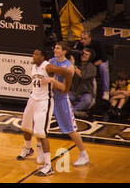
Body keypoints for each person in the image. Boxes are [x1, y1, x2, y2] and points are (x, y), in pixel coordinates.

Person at [17, 48, 72, 177]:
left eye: (36, 54)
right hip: (33, 99)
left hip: (44, 101)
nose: (33, 55)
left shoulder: (48, 67)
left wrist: (66, 89)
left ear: (42, 57)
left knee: (41, 133)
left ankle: (48, 166)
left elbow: (67, 73)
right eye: (34, 53)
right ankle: (28, 149)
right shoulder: (33, 67)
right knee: (25, 126)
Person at [48, 41, 90, 167]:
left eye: (58, 48)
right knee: (39, 125)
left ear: (64, 51)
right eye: (55, 47)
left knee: (71, 130)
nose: (55, 49)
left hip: (61, 100)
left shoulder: (69, 67)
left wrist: (53, 82)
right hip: (49, 98)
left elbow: (65, 87)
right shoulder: (51, 61)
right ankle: (39, 150)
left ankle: (83, 154)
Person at [75, 30, 110, 100]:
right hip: (86, 63)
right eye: (81, 38)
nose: (82, 41)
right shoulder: (79, 45)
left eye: (85, 39)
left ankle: (106, 90)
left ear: (90, 38)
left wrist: (93, 65)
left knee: (103, 68)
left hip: (98, 61)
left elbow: (104, 57)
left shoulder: (97, 44)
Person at [68, 47, 97, 118]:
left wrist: (73, 66)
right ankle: (76, 113)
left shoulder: (92, 68)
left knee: (87, 101)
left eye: (86, 54)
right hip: (74, 92)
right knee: (63, 97)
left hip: (86, 93)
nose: (83, 55)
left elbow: (82, 75)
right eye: (82, 53)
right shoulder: (75, 64)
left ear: (90, 57)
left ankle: (71, 111)